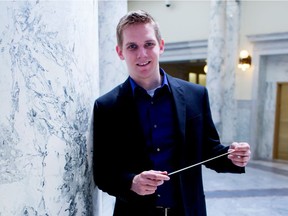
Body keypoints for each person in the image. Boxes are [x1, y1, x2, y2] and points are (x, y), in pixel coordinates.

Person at [93, 10, 251, 216]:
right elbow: (103, 173)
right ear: (120, 52)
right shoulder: (106, 106)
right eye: (132, 46)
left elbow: (209, 152)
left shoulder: (196, 94)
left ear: (161, 45)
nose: (142, 54)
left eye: (149, 44)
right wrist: (131, 183)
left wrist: (233, 156)